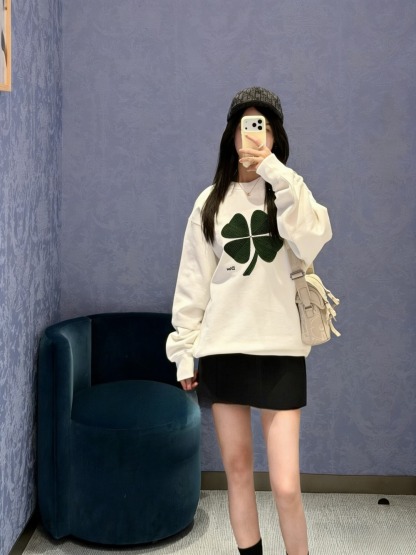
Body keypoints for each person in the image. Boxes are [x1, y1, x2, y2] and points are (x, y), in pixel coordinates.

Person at [166, 86, 332, 555]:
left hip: (280, 349)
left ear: (275, 136)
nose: (254, 135)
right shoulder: (209, 203)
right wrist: (184, 352)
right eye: (246, 125)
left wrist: (273, 169)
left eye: (263, 127)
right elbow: (193, 284)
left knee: (286, 486)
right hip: (224, 346)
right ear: (231, 135)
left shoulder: (289, 193)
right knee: (237, 474)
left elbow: (315, 237)